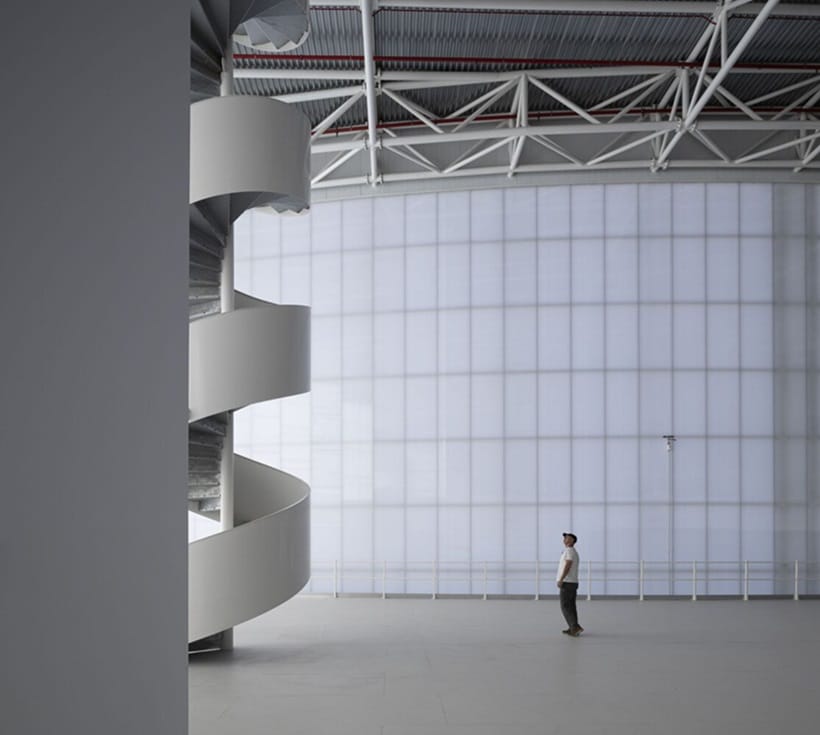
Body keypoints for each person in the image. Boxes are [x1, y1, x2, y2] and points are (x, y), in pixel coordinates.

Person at [556, 532, 584, 636]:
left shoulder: (569, 551)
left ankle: (574, 628)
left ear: (572, 540)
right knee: (571, 606)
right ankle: (574, 626)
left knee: (565, 606)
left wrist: (561, 579)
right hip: (572, 582)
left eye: (567, 538)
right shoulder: (572, 551)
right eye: (564, 538)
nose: (564, 539)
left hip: (567, 582)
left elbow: (568, 565)